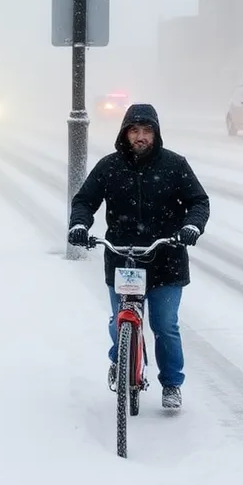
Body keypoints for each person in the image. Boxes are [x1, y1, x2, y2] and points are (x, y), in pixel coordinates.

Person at [68, 102, 210, 410]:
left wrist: (191, 227)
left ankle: (171, 383)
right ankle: (119, 359)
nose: (141, 137)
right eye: (135, 130)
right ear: (125, 133)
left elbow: (198, 201)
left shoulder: (174, 165)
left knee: (164, 325)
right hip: (123, 258)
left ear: (156, 134)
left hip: (166, 259)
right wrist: (80, 224)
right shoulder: (109, 166)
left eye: (147, 131)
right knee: (119, 320)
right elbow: (85, 200)